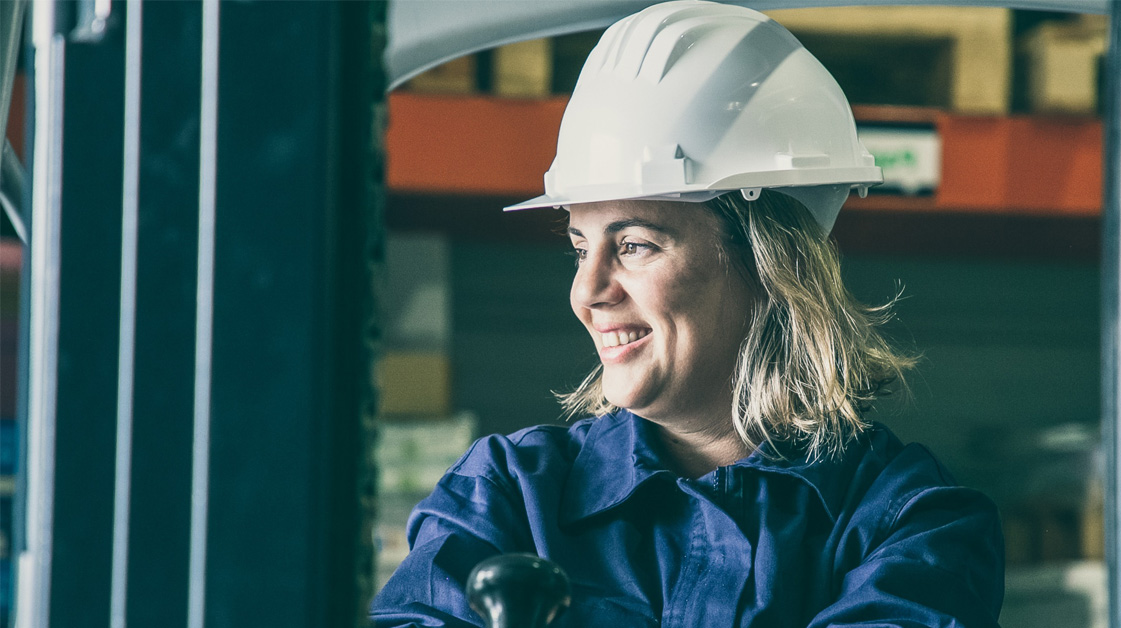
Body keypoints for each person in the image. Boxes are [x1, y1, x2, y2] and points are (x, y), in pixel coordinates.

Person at [372, 2, 1004, 626]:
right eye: (579, 247)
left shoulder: (910, 521)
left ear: (770, 264)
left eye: (634, 245)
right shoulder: (504, 496)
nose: (588, 292)